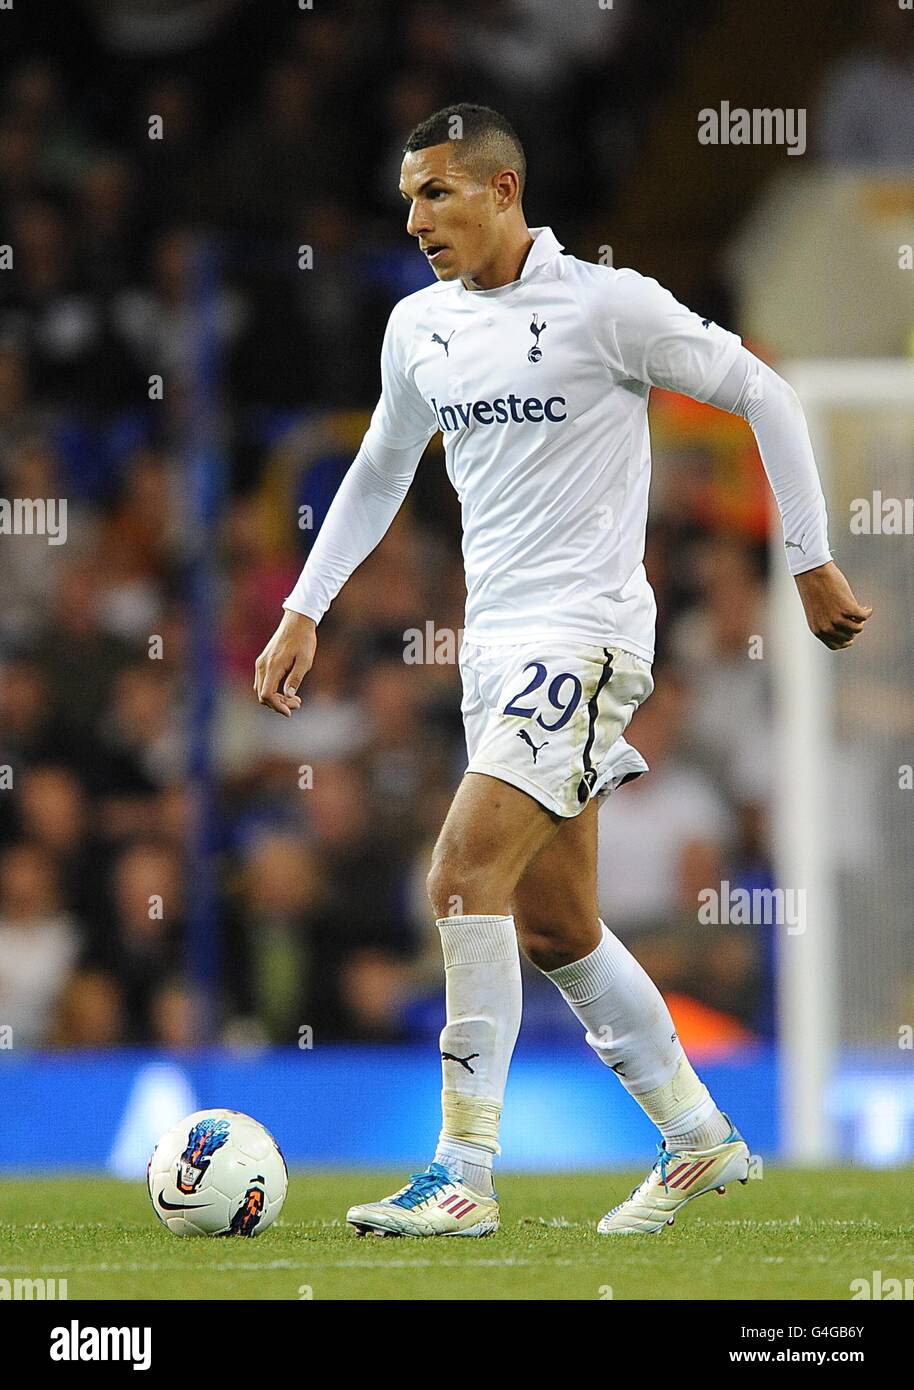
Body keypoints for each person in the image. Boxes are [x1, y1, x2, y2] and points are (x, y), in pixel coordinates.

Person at [254, 104, 872, 1237]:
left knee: (457, 876)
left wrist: (810, 564)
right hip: (491, 653)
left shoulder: (606, 304)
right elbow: (379, 468)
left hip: (585, 641)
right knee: (555, 928)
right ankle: (695, 1134)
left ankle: (461, 1173)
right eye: (405, 196)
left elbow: (762, 395)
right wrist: (304, 608)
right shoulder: (417, 329)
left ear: (501, 190)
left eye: (435, 191)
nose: (415, 217)